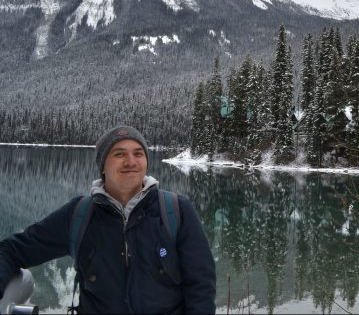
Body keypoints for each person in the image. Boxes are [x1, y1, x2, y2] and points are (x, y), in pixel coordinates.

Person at [0, 125, 216, 314]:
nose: (131, 161)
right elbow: (12, 250)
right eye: (119, 154)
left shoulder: (176, 210)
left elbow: (201, 285)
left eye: (138, 153)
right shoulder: (79, 215)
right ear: (103, 165)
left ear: (146, 162)